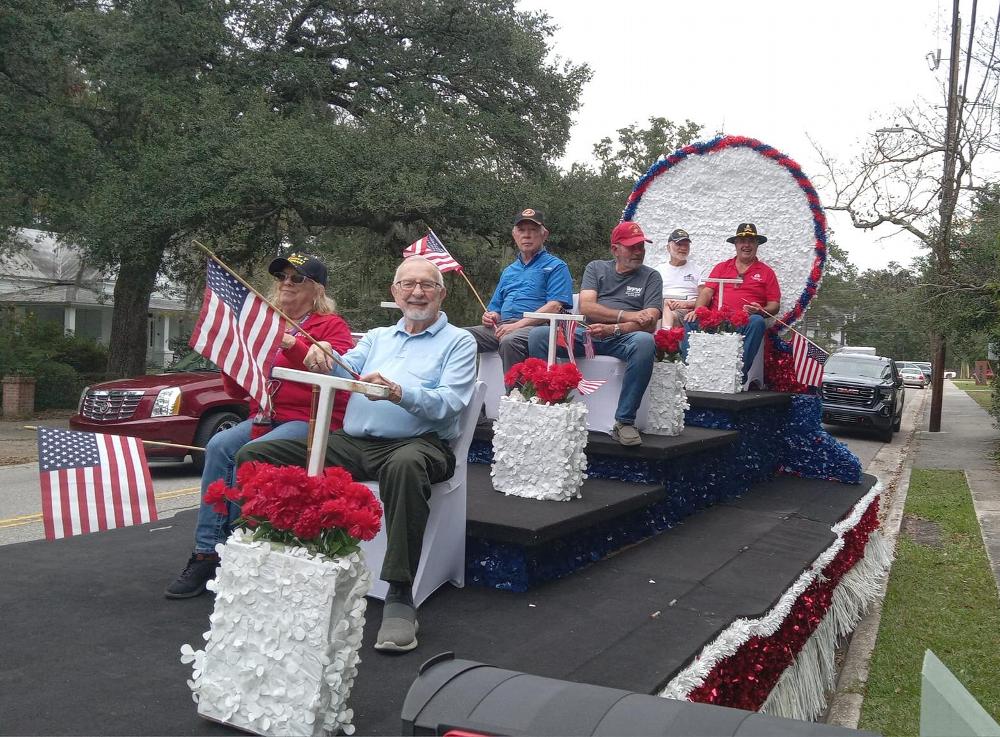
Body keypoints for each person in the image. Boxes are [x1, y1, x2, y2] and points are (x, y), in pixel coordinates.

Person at [235, 256, 477, 653]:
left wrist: (399, 391)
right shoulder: (378, 338)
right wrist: (326, 351)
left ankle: (399, 595)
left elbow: (448, 404)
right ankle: (271, 556)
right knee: (257, 454)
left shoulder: (459, 341)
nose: (417, 292)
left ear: (442, 293)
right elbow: (343, 371)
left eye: (427, 285)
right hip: (354, 443)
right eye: (408, 284)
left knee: (405, 466)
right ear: (394, 292)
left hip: (418, 445)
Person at [165, 252, 354, 599]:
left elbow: (328, 371)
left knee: (252, 451)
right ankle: (208, 551)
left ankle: (242, 545)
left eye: (297, 278)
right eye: (281, 276)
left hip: (308, 420)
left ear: (318, 290)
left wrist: (289, 341)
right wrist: (232, 358)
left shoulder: (332, 327)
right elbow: (238, 390)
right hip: (265, 415)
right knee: (220, 445)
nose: (286, 283)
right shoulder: (261, 325)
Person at [527, 221, 662, 446]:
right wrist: (628, 316)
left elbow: (649, 320)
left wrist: (615, 328)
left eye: (641, 246)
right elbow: (588, 307)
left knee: (645, 341)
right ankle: (546, 405)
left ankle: (625, 421)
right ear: (615, 249)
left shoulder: (651, 277)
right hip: (587, 334)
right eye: (632, 247)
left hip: (623, 337)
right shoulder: (596, 268)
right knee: (539, 335)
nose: (638, 252)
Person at [465, 208, 573, 372]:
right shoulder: (509, 271)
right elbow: (495, 309)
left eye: (533, 230)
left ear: (544, 235)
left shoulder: (556, 266)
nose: (526, 235)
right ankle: (454, 391)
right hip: (502, 327)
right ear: (514, 235)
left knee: (510, 340)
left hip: (537, 328)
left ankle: (516, 396)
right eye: (521, 230)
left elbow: (555, 306)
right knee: (459, 337)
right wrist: (491, 316)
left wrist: (517, 325)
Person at [685, 223, 780, 383]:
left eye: (751, 240)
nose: (746, 245)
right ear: (735, 244)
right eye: (742, 241)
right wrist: (699, 309)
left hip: (745, 321)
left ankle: (736, 375)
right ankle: (690, 372)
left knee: (757, 322)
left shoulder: (766, 272)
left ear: (757, 244)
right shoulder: (722, 267)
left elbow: (774, 305)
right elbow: (707, 292)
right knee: (691, 320)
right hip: (716, 320)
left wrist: (761, 310)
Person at [655, 227, 704, 327]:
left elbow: (705, 298)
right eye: (679, 244)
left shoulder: (698, 270)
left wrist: (686, 304)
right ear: (668, 247)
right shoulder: (657, 271)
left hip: (686, 310)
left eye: (686, 245)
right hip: (661, 308)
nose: (683, 248)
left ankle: (665, 337)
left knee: (668, 314)